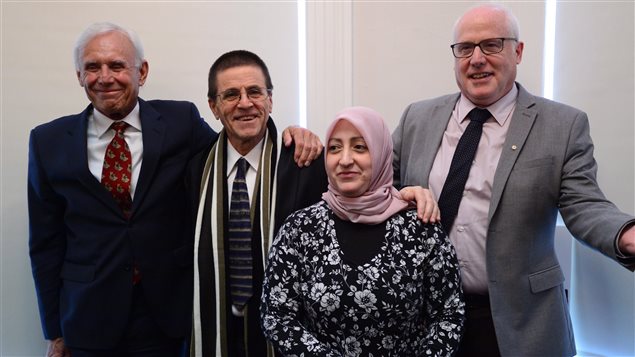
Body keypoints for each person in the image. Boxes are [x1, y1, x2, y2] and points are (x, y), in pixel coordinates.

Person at [28, 23, 321, 357]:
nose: (105, 77)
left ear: (142, 71)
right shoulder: (47, 142)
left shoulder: (179, 121)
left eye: (117, 66)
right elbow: (45, 243)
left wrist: (295, 133)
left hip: (166, 318)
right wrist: (54, 331)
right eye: (93, 67)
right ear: (79, 75)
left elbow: (237, 146)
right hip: (87, 318)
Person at [392, 4, 635, 356]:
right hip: (426, 319)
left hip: (519, 323)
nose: (476, 59)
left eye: (491, 45)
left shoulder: (562, 126)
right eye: (465, 48)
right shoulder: (418, 118)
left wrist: (626, 235)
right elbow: (380, 188)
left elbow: (586, 206)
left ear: (517, 51)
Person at [260, 106, 465, 356]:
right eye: (335, 148)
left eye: (359, 147)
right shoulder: (299, 230)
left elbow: (449, 313)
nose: (345, 159)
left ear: (381, 153)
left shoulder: (420, 229)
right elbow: (277, 316)